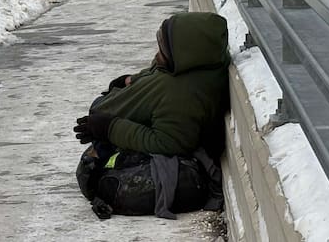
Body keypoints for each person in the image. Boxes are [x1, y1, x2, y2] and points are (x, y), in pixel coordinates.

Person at [73, 12, 230, 218]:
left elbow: (167, 143)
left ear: (185, 52)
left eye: (164, 48)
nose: (158, 53)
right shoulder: (200, 65)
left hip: (169, 143)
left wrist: (111, 128)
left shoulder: (181, 94)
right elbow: (157, 73)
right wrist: (131, 81)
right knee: (98, 122)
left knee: (94, 172)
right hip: (152, 112)